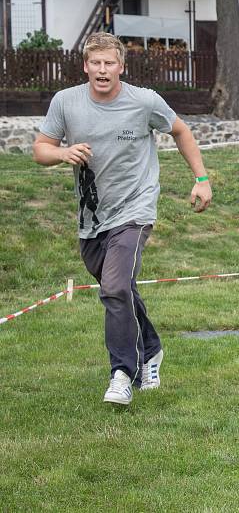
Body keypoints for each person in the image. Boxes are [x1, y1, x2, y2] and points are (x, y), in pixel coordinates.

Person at [32, 32, 212, 406]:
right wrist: (62, 153)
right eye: (95, 63)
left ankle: (122, 374)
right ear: (85, 66)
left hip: (135, 209)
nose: (102, 69)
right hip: (92, 217)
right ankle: (152, 349)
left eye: (109, 63)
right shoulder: (66, 102)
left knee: (114, 287)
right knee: (121, 289)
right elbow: (40, 149)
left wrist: (201, 179)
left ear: (121, 67)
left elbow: (180, 130)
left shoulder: (143, 101)